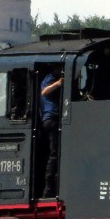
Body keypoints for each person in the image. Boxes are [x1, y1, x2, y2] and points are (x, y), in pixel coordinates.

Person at [40, 70, 64, 198]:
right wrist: (59, 83)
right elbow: (44, 92)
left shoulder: (49, 76)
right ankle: (49, 190)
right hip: (52, 119)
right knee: (54, 154)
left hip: (50, 119)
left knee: (55, 153)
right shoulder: (51, 77)